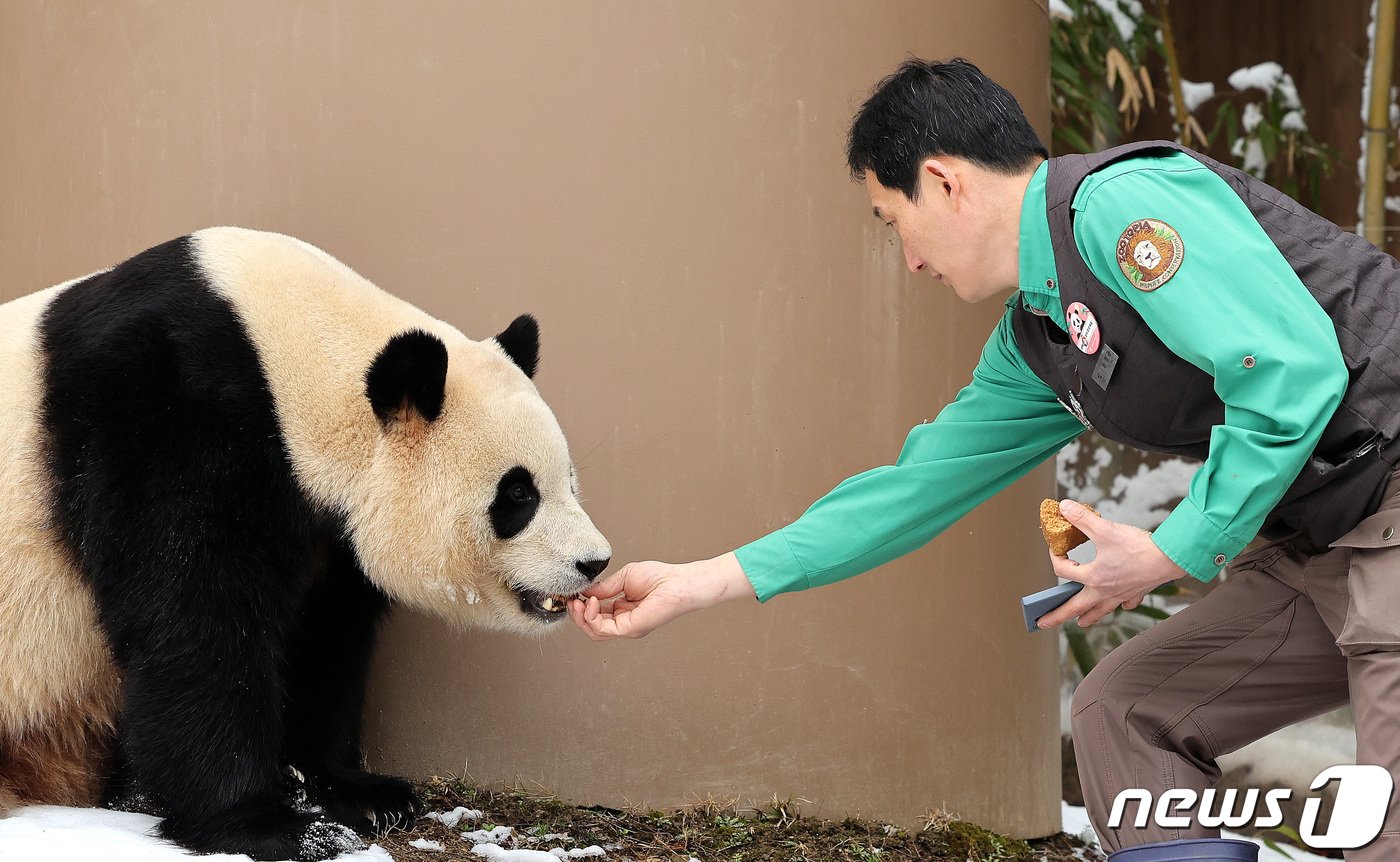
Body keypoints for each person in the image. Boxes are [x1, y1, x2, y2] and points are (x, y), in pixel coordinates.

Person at [568, 58, 1400, 862]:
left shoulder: (1123, 205)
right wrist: (702, 579)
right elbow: (911, 490)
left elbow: (1291, 371)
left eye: (895, 224)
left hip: (1389, 499)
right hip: (1320, 544)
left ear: (944, 180)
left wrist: (1164, 552)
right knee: (1125, 711)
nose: (912, 261)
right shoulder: (1035, 341)